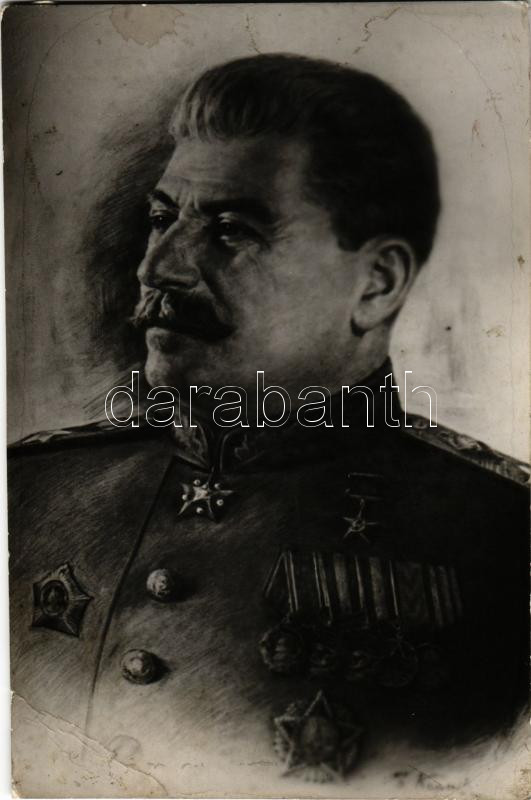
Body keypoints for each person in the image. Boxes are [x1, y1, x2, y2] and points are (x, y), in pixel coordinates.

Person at [8, 54, 529, 797]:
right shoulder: (27, 491)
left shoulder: (507, 533)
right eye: (161, 219)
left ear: (376, 284)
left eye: (231, 231)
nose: (158, 268)